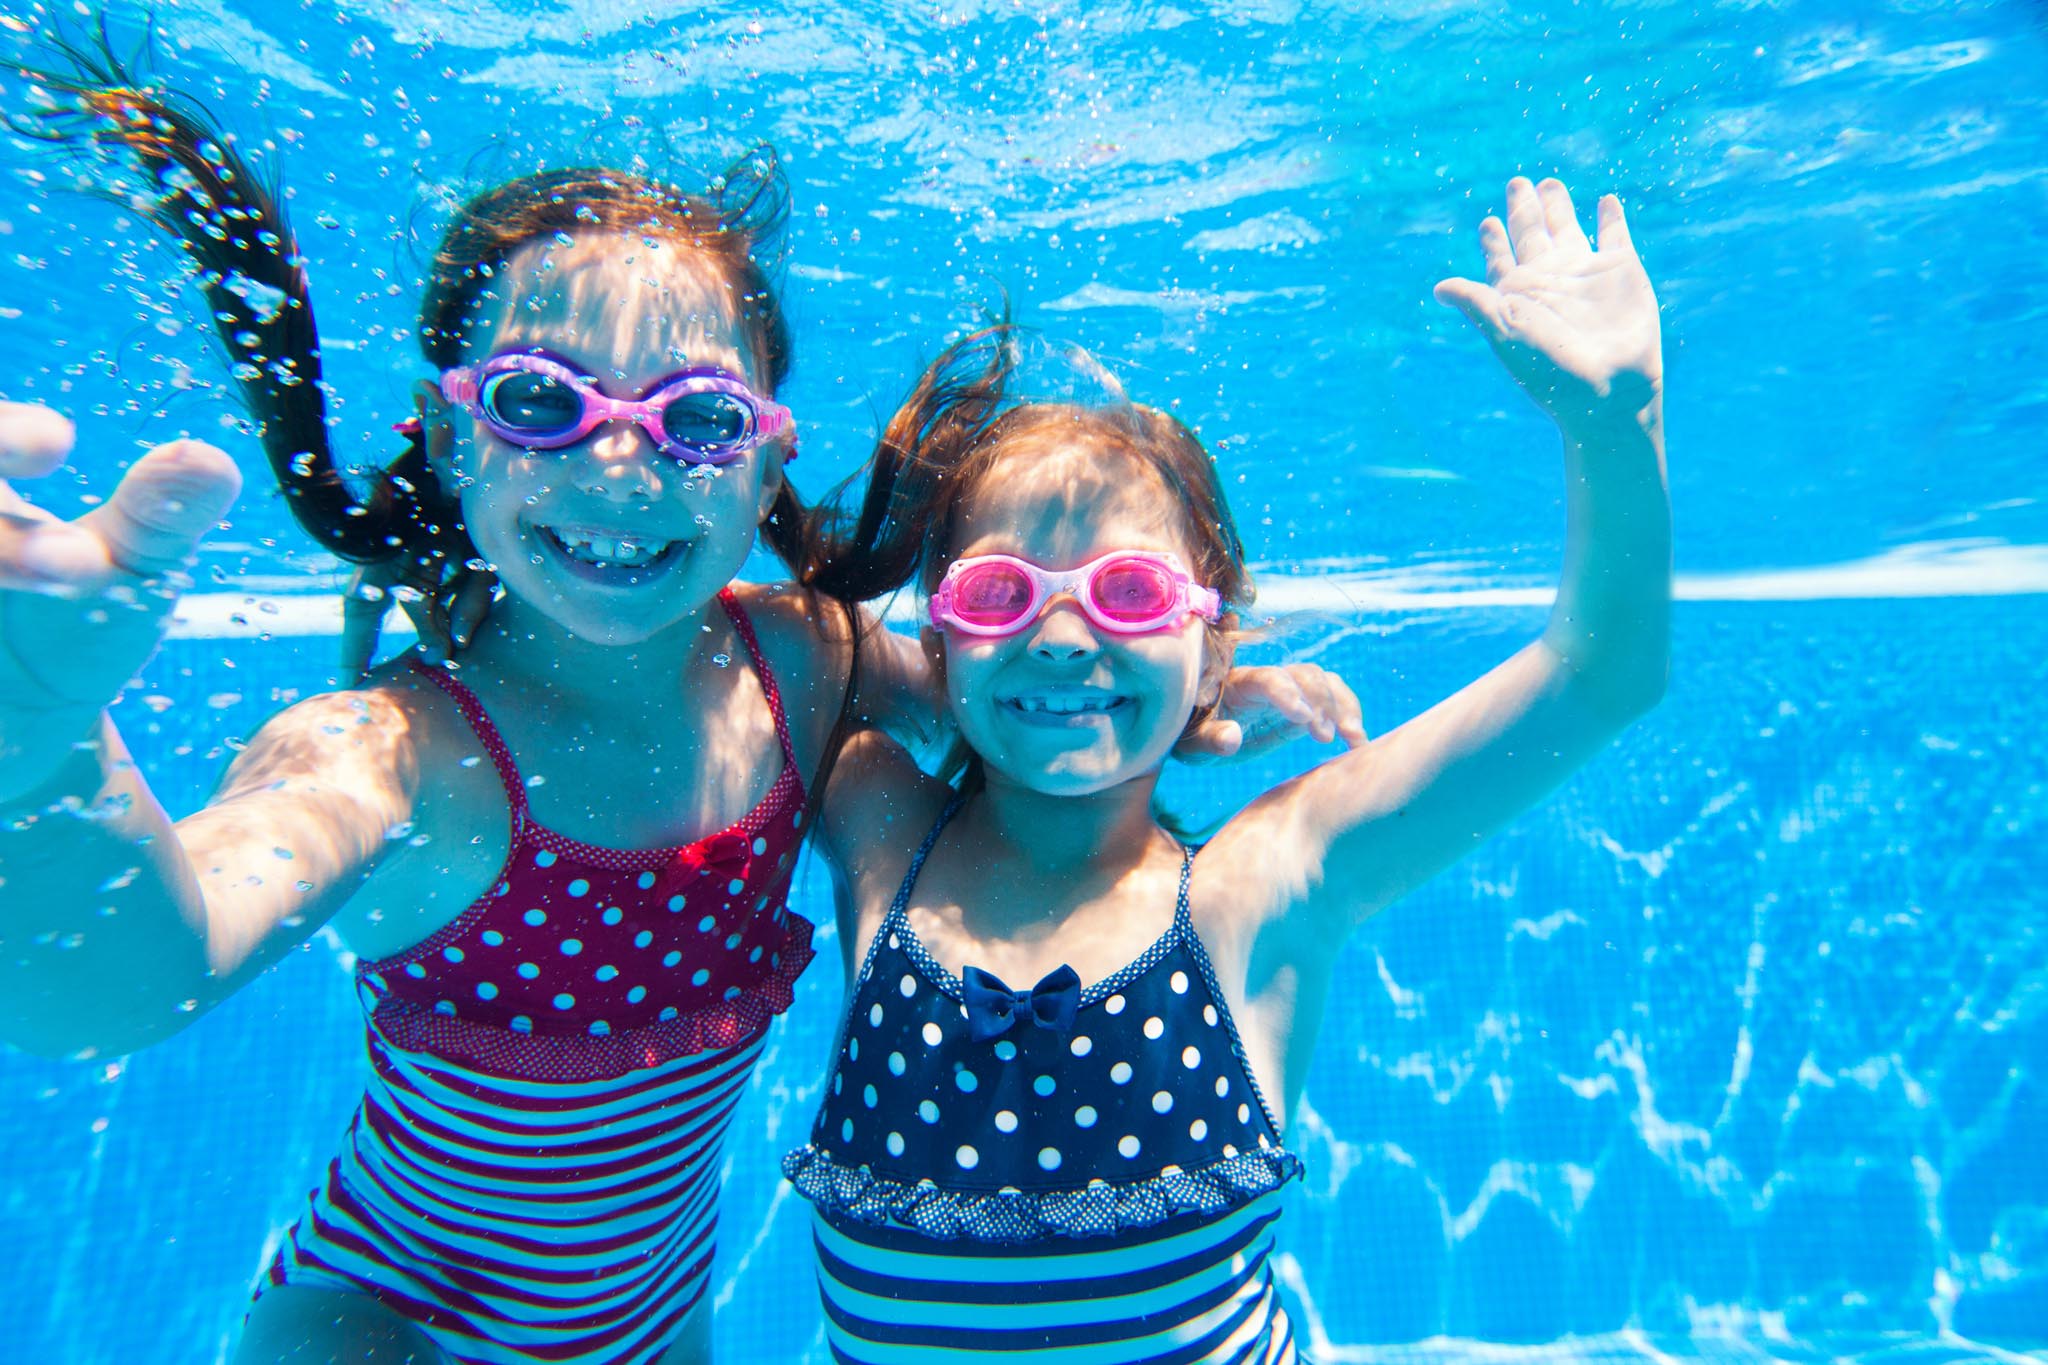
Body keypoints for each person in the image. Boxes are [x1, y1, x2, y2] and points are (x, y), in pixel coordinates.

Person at [0, 46, 1361, 1365]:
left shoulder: (805, 666)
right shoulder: (393, 756)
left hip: (658, 1324)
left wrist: (1189, 675)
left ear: (767, 449)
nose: (620, 460)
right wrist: (36, 753)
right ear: (448, 431)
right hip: (385, 1317)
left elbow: (993, 690)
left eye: (695, 418)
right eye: (540, 402)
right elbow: (126, 982)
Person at [781, 176, 1670, 1363]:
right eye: (1001, 594)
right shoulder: (877, 823)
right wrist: (1159, 695)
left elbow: (1599, 678)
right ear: (937, 641)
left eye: (1129, 595)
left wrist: (1613, 429)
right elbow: (757, 644)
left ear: (1213, 644)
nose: (1057, 636)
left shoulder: (1262, 884)